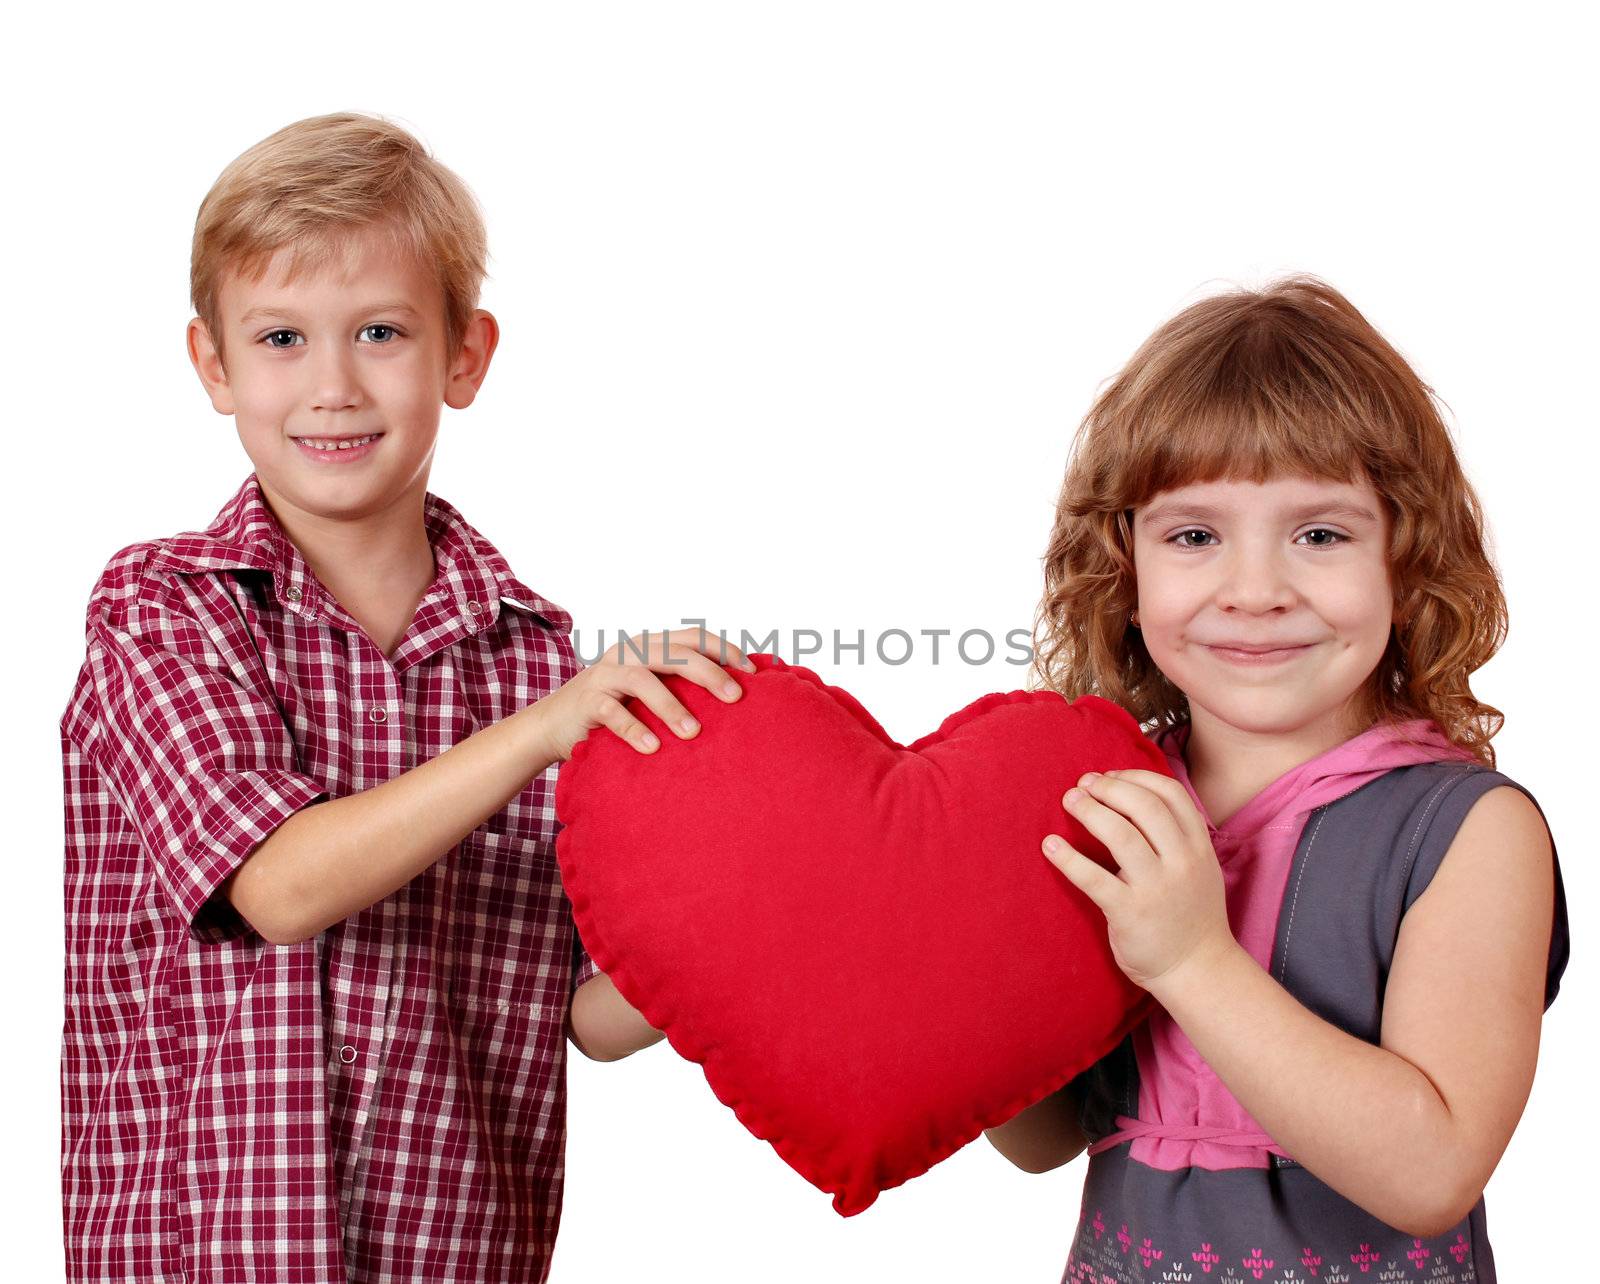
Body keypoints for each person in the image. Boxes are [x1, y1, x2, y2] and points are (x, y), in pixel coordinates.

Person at [58, 111, 751, 1283]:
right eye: (281, 337)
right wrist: (543, 731)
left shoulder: (539, 660)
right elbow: (277, 886)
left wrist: (748, 914)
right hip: (197, 1258)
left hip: (459, 1254)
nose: (332, 385)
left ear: (464, 357)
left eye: (380, 331)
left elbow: (582, 1013)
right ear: (213, 366)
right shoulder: (163, 607)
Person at [984, 277, 1569, 1283]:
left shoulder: (1466, 832)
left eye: (1320, 534)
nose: (1254, 592)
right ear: (1124, 567)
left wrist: (1188, 960)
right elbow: (1041, 1141)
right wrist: (968, 962)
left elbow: (1432, 1172)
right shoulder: (1109, 802)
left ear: (1407, 555)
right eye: (1194, 536)